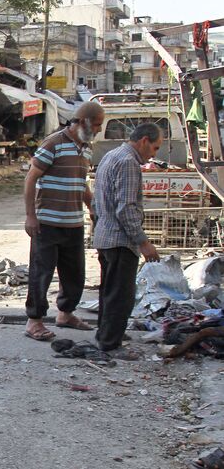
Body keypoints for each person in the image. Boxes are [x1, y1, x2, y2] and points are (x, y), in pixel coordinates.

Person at [23, 101, 105, 341]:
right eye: (97, 124)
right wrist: (30, 216)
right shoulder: (53, 144)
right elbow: (30, 179)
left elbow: (80, 183)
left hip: (73, 223)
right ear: (82, 122)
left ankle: (65, 314)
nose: (99, 129)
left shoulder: (85, 149)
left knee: (75, 273)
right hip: (47, 222)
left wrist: (92, 207)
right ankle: (34, 321)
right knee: (42, 272)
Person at [93, 123, 162, 352]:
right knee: (120, 295)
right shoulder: (128, 162)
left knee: (109, 291)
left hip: (106, 236)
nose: (154, 154)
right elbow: (126, 208)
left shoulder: (111, 155)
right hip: (120, 240)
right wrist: (144, 242)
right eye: (154, 148)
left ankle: (106, 334)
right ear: (143, 141)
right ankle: (110, 343)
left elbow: (97, 200)